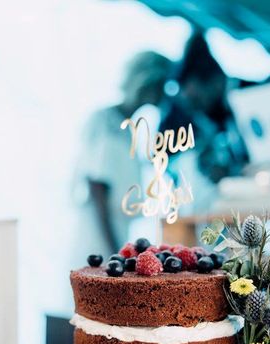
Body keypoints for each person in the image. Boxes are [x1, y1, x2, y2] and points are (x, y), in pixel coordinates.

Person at [72, 51, 172, 258]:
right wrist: (114, 251)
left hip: (114, 231)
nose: (166, 94)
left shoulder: (128, 129)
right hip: (97, 236)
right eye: (163, 85)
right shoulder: (104, 122)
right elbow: (96, 186)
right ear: (149, 84)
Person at [160, 33, 246, 211]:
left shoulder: (249, 96)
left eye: (198, 100)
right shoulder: (185, 113)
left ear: (215, 82)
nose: (195, 109)